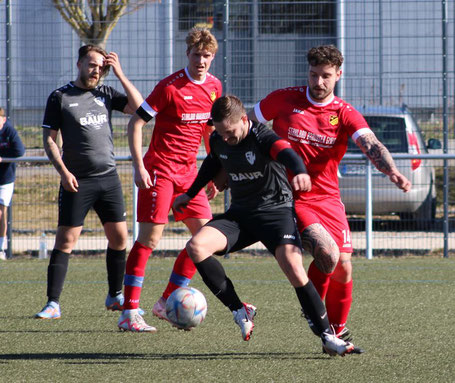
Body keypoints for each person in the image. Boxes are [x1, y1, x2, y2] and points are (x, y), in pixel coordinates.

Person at [247, 45, 411, 350]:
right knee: (328, 253)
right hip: (290, 197)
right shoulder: (284, 99)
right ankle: (313, 309)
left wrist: (392, 171)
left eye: (325, 76)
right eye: (313, 74)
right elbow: (245, 125)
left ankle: (334, 333)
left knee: (344, 266)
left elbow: (370, 143)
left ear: (338, 74)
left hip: (328, 199)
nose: (318, 82)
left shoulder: (344, 112)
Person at [172, 95, 355, 356]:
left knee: (294, 267)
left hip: (276, 212)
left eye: (230, 132)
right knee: (196, 246)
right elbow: (212, 162)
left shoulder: (262, 137)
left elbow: (287, 153)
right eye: (221, 133)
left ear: (244, 120)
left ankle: (328, 337)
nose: (225, 138)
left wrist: (300, 171)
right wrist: (190, 194)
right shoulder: (219, 139)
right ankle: (239, 309)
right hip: (241, 215)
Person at [117, 28, 222, 332]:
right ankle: (129, 312)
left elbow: (209, 131)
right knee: (150, 238)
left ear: (212, 57)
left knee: (205, 239)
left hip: (190, 174)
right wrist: (139, 166)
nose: (201, 60)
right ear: (187, 54)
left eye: (207, 55)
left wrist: (213, 172)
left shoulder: (215, 87)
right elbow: (136, 123)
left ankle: (164, 303)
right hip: (160, 170)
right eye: (196, 54)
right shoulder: (170, 87)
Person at [35, 44, 143, 319]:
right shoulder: (60, 97)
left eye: (101, 66)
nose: (96, 70)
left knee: (120, 238)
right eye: (92, 64)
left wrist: (119, 73)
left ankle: (114, 295)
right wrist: (63, 172)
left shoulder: (105, 93)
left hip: (108, 179)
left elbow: (141, 108)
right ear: (79, 64)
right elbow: (49, 139)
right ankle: (53, 304)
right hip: (77, 181)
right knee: (66, 241)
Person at [0, 107, 25, 260]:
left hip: (5, 179)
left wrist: (2, 157)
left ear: (3, 119)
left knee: (1, 213)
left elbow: (19, 151)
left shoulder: (9, 131)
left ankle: (0, 248)